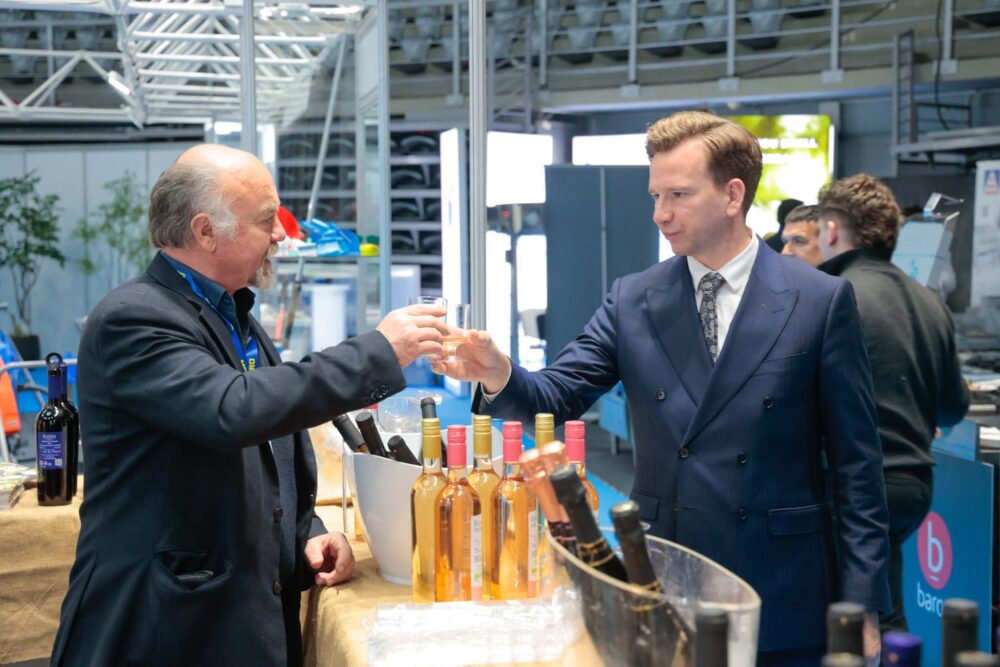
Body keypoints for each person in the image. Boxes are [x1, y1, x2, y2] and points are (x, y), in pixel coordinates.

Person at [436, 111, 889, 665]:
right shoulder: (634, 299)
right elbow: (557, 396)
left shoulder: (818, 300)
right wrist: (496, 371)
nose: (660, 214)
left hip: (780, 583)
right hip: (666, 574)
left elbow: (857, 467)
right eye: (655, 196)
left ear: (733, 195)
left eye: (678, 195)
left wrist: (864, 602)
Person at [51, 144, 448, 666]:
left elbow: (267, 443)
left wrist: (305, 533)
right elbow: (233, 411)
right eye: (266, 220)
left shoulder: (231, 313)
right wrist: (378, 352)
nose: (281, 234)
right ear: (205, 231)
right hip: (164, 629)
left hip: (230, 622)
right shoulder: (134, 319)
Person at [816, 173, 969, 634]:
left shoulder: (832, 296)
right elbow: (953, 408)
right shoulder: (929, 301)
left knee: (846, 623)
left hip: (851, 492)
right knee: (883, 611)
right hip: (913, 487)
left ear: (831, 230)